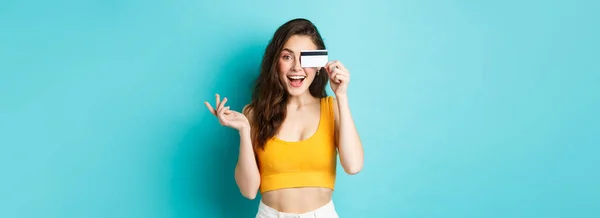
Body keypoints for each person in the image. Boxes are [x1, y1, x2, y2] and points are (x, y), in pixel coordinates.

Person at [205, 18, 363, 218]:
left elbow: (354, 165)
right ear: (275, 62)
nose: (296, 67)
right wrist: (244, 131)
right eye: (287, 57)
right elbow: (249, 190)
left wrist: (341, 95)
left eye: (305, 58)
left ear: (318, 64)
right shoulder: (255, 113)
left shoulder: (332, 108)